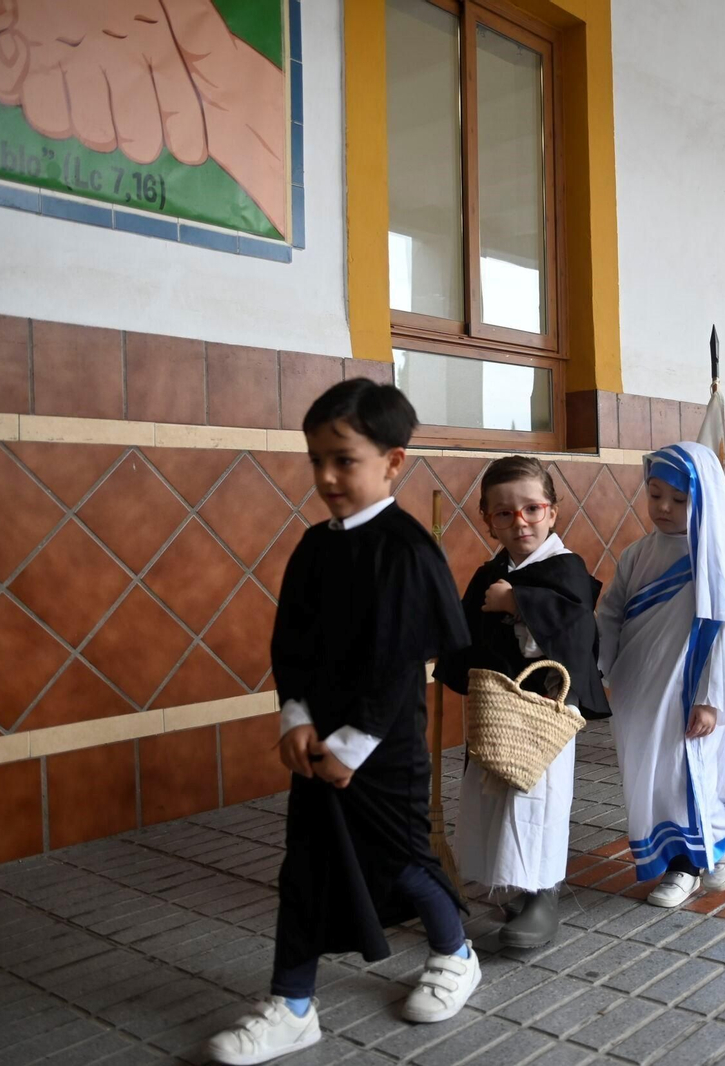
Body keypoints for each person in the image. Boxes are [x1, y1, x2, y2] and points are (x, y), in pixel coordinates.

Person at [209, 381, 475, 1065]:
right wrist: (295, 716)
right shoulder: (313, 547)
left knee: (399, 865)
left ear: (393, 461)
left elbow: (397, 665)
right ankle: (293, 1005)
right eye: (317, 460)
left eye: (344, 460)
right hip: (315, 744)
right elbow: (291, 645)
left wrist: (352, 746)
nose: (327, 477)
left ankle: (455, 952)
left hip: (384, 749)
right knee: (305, 867)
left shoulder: (406, 550)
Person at [435, 457, 610, 949]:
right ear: (487, 519)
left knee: (535, 802)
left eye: (532, 509)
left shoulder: (566, 569)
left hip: (544, 710)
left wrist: (517, 603)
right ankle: (511, 882)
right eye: (504, 513)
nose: (521, 522)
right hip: (497, 711)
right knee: (493, 797)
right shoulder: (490, 572)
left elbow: (576, 633)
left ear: (552, 511)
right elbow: (465, 635)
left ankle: (542, 894)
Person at [598, 442, 725, 908]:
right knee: (649, 778)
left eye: (678, 498)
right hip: (637, 692)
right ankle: (698, 845)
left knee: (684, 774)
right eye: (655, 495)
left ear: (703, 498)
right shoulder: (636, 554)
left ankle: (690, 862)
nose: (664, 508)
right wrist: (599, 672)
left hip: (692, 692)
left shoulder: (715, 559)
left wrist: (712, 699)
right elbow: (611, 614)